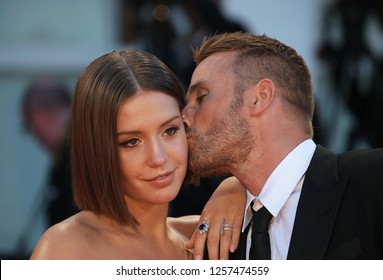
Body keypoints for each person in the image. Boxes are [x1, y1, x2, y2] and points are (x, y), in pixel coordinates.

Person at [183, 32, 383, 260]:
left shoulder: (374, 179)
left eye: (201, 97)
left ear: (260, 97)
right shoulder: (216, 239)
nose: (183, 117)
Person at [30, 49, 245, 260]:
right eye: (131, 142)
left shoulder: (204, 236)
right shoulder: (64, 250)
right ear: (97, 149)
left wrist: (237, 188)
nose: (158, 157)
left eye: (169, 130)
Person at [21, 77, 78, 227]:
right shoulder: (77, 147)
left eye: (30, 126)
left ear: (39, 114)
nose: (35, 136)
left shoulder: (75, 154)